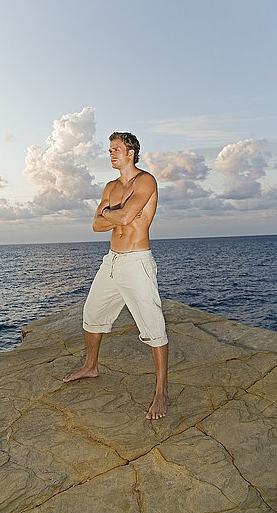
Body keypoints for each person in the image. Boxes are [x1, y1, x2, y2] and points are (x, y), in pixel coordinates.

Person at [63, 132, 168, 420]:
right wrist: (115, 213)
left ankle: (161, 392)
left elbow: (119, 219)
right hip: (111, 260)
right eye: (110, 150)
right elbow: (96, 226)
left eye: (116, 149)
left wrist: (111, 213)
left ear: (131, 152)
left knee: (153, 325)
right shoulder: (110, 186)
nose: (111, 154)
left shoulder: (146, 181)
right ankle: (90, 365)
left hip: (136, 260)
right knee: (92, 313)